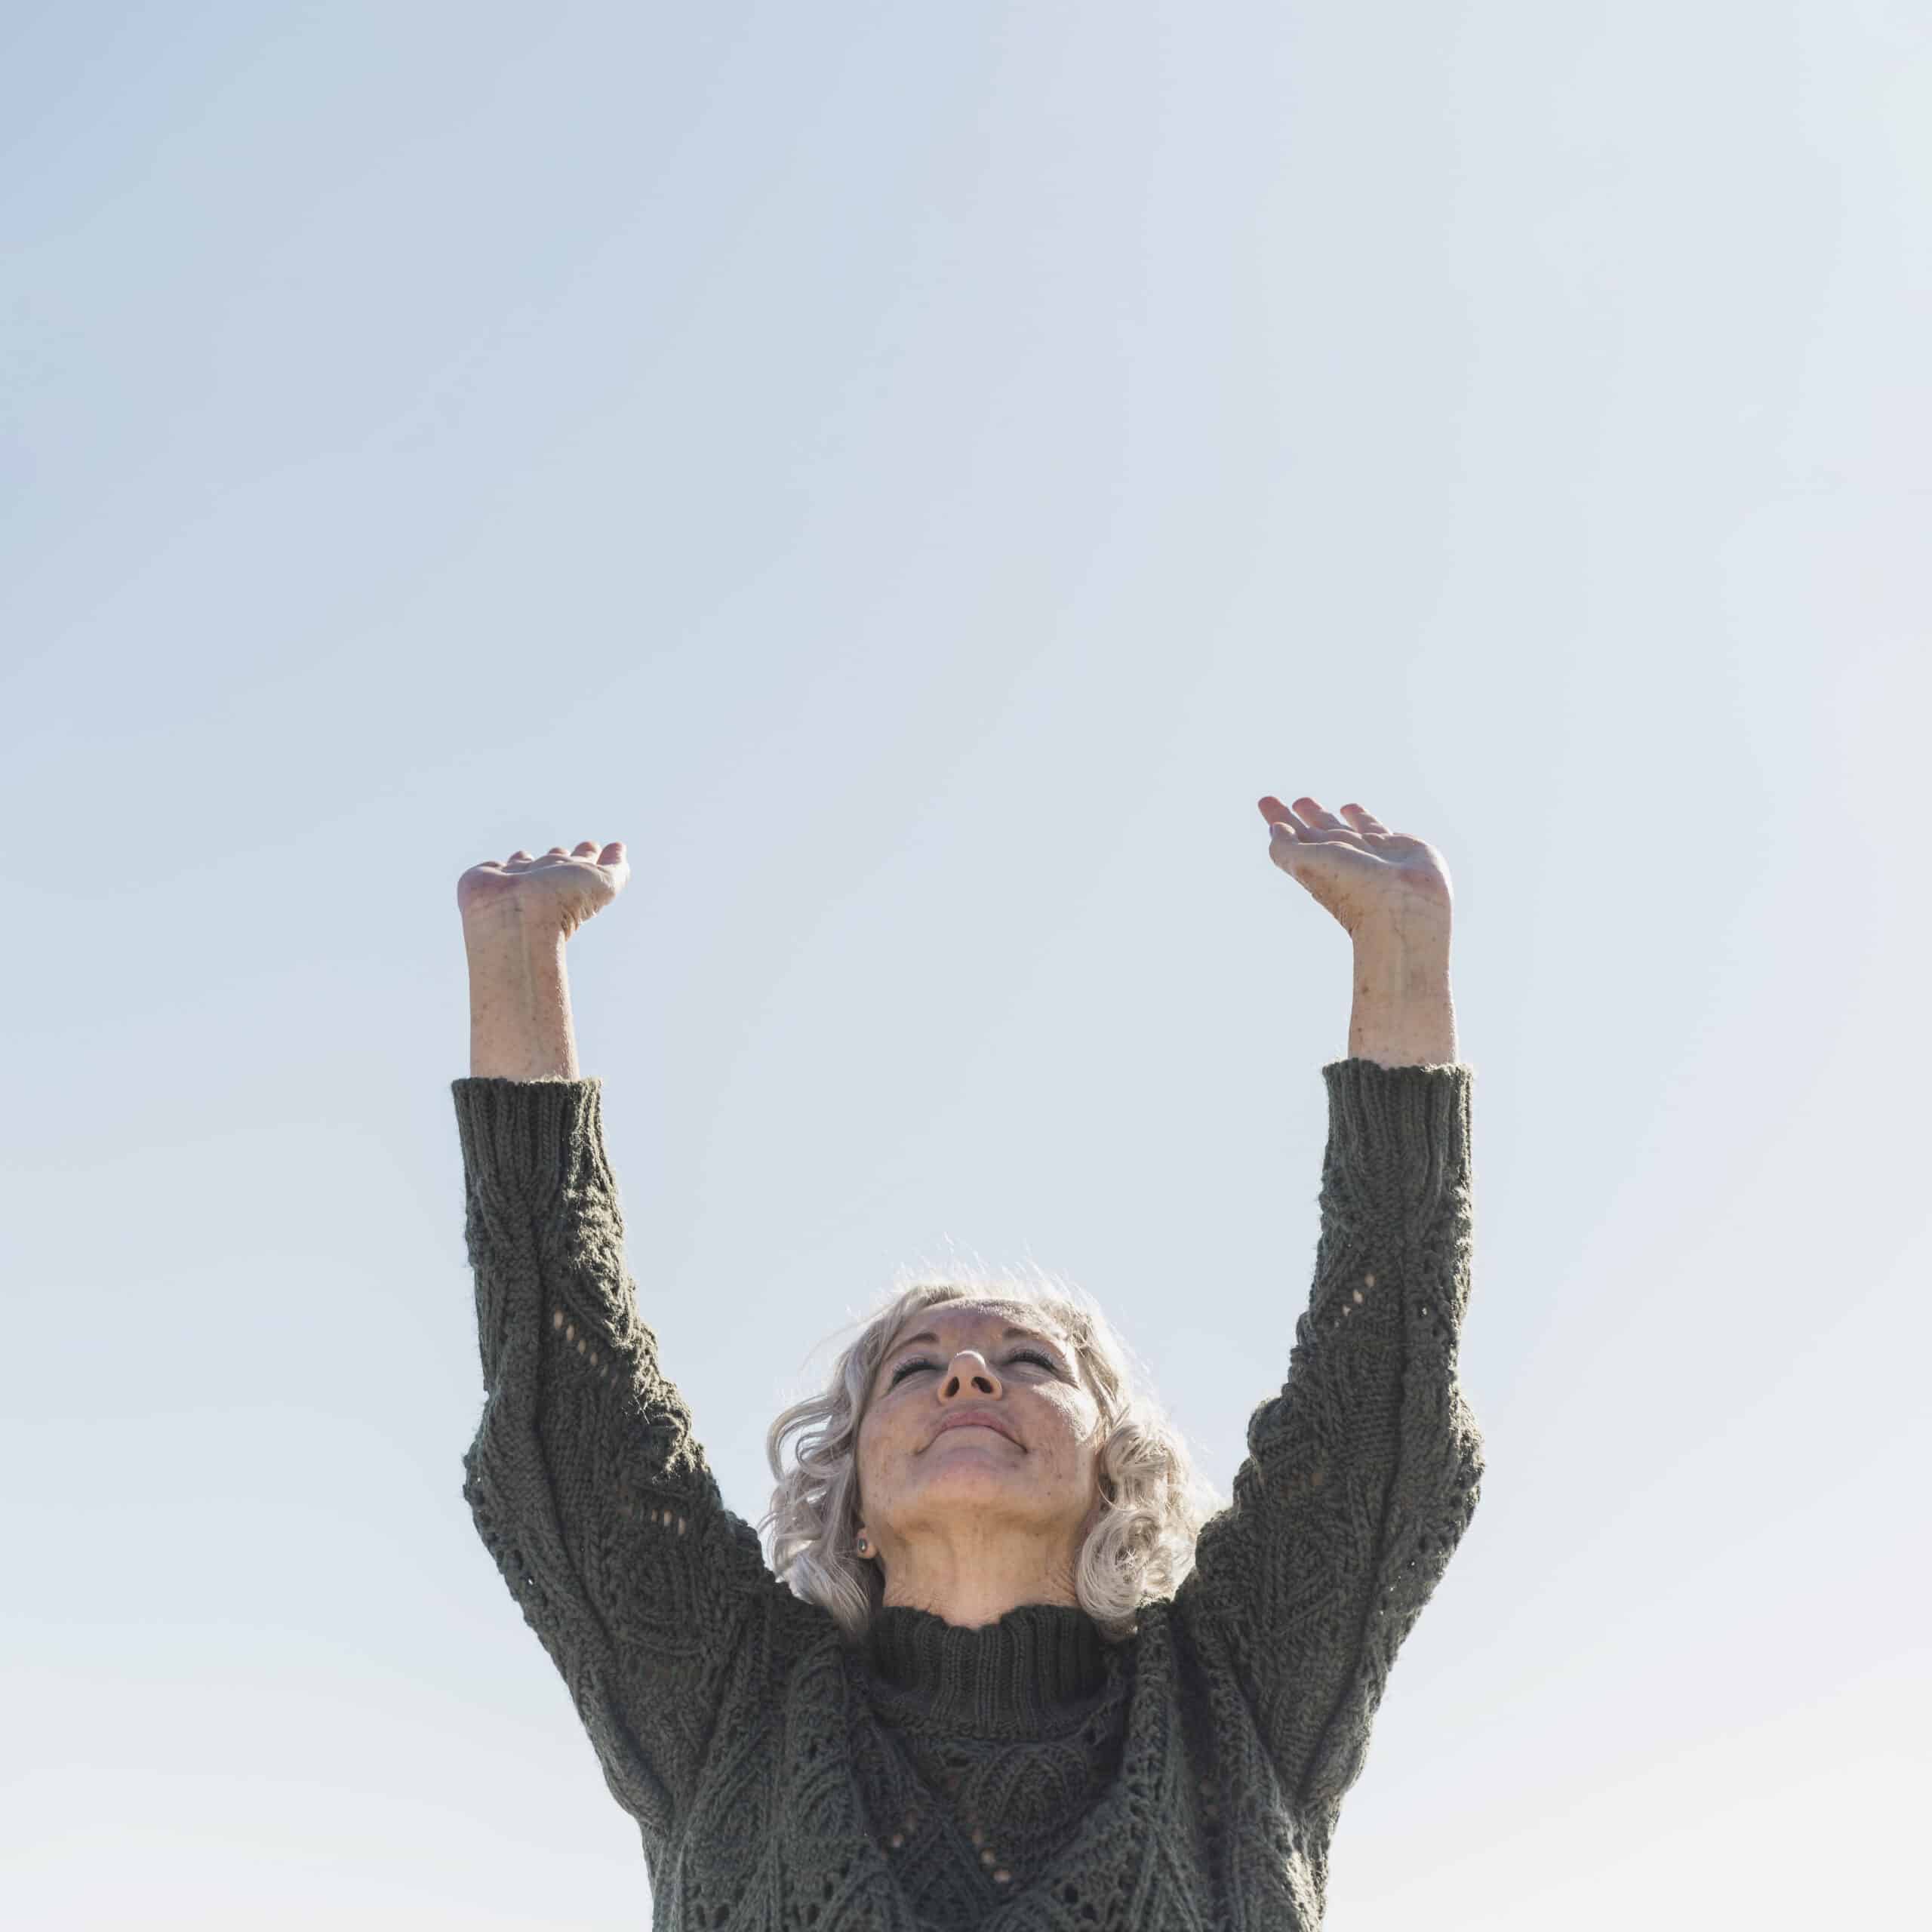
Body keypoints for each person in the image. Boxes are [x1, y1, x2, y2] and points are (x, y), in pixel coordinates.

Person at [451, 794, 1482, 1930]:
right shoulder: (733, 1703)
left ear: (1117, 1471)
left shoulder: (1237, 1692)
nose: (968, 1377)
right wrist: (516, 951)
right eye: (913, 1368)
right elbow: (573, 1413)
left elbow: (1383, 1398)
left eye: (1028, 1360)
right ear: (848, 1496)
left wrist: (1401, 942)